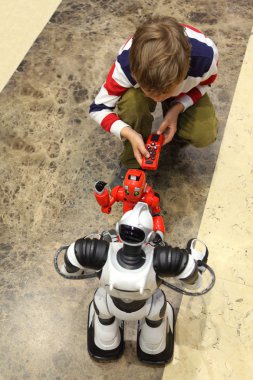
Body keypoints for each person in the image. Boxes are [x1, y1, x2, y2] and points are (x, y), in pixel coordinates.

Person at [89, 16, 218, 185]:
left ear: (185, 72)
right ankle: (132, 162)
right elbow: (98, 108)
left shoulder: (206, 59)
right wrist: (129, 132)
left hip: (181, 91)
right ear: (134, 74)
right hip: (153, 85)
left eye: (165, 92)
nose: (157, 98)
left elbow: (206, 84)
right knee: (133, 103)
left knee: (204, 135)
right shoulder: (125, 66)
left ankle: (177, 124)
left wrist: (178, 106)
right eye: (149, 91)